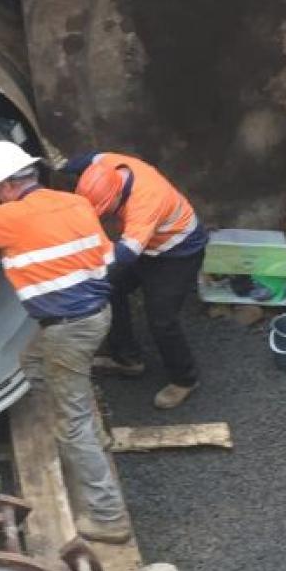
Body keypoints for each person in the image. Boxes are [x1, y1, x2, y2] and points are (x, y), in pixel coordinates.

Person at [0, 141, 132, 543]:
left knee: (73, 423)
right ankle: (83, 424)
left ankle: (108, 515)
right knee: (32, 362)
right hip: (96, 316)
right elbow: (105, 262)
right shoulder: (75, 204)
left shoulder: (12, 217)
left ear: (14, 184)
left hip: (68, 328)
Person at [66, 152, 206, 409]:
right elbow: (85, 159)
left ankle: (185, 379)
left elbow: (126, 255)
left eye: (107, 212)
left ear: (118, 196)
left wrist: (81, 274)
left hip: (177, 251)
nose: (105, 217)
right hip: (148, 244)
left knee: (162, 320)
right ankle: (127, 359)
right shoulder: (105, 164)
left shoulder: (146, 202)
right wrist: (62, 166)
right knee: (111, 289)